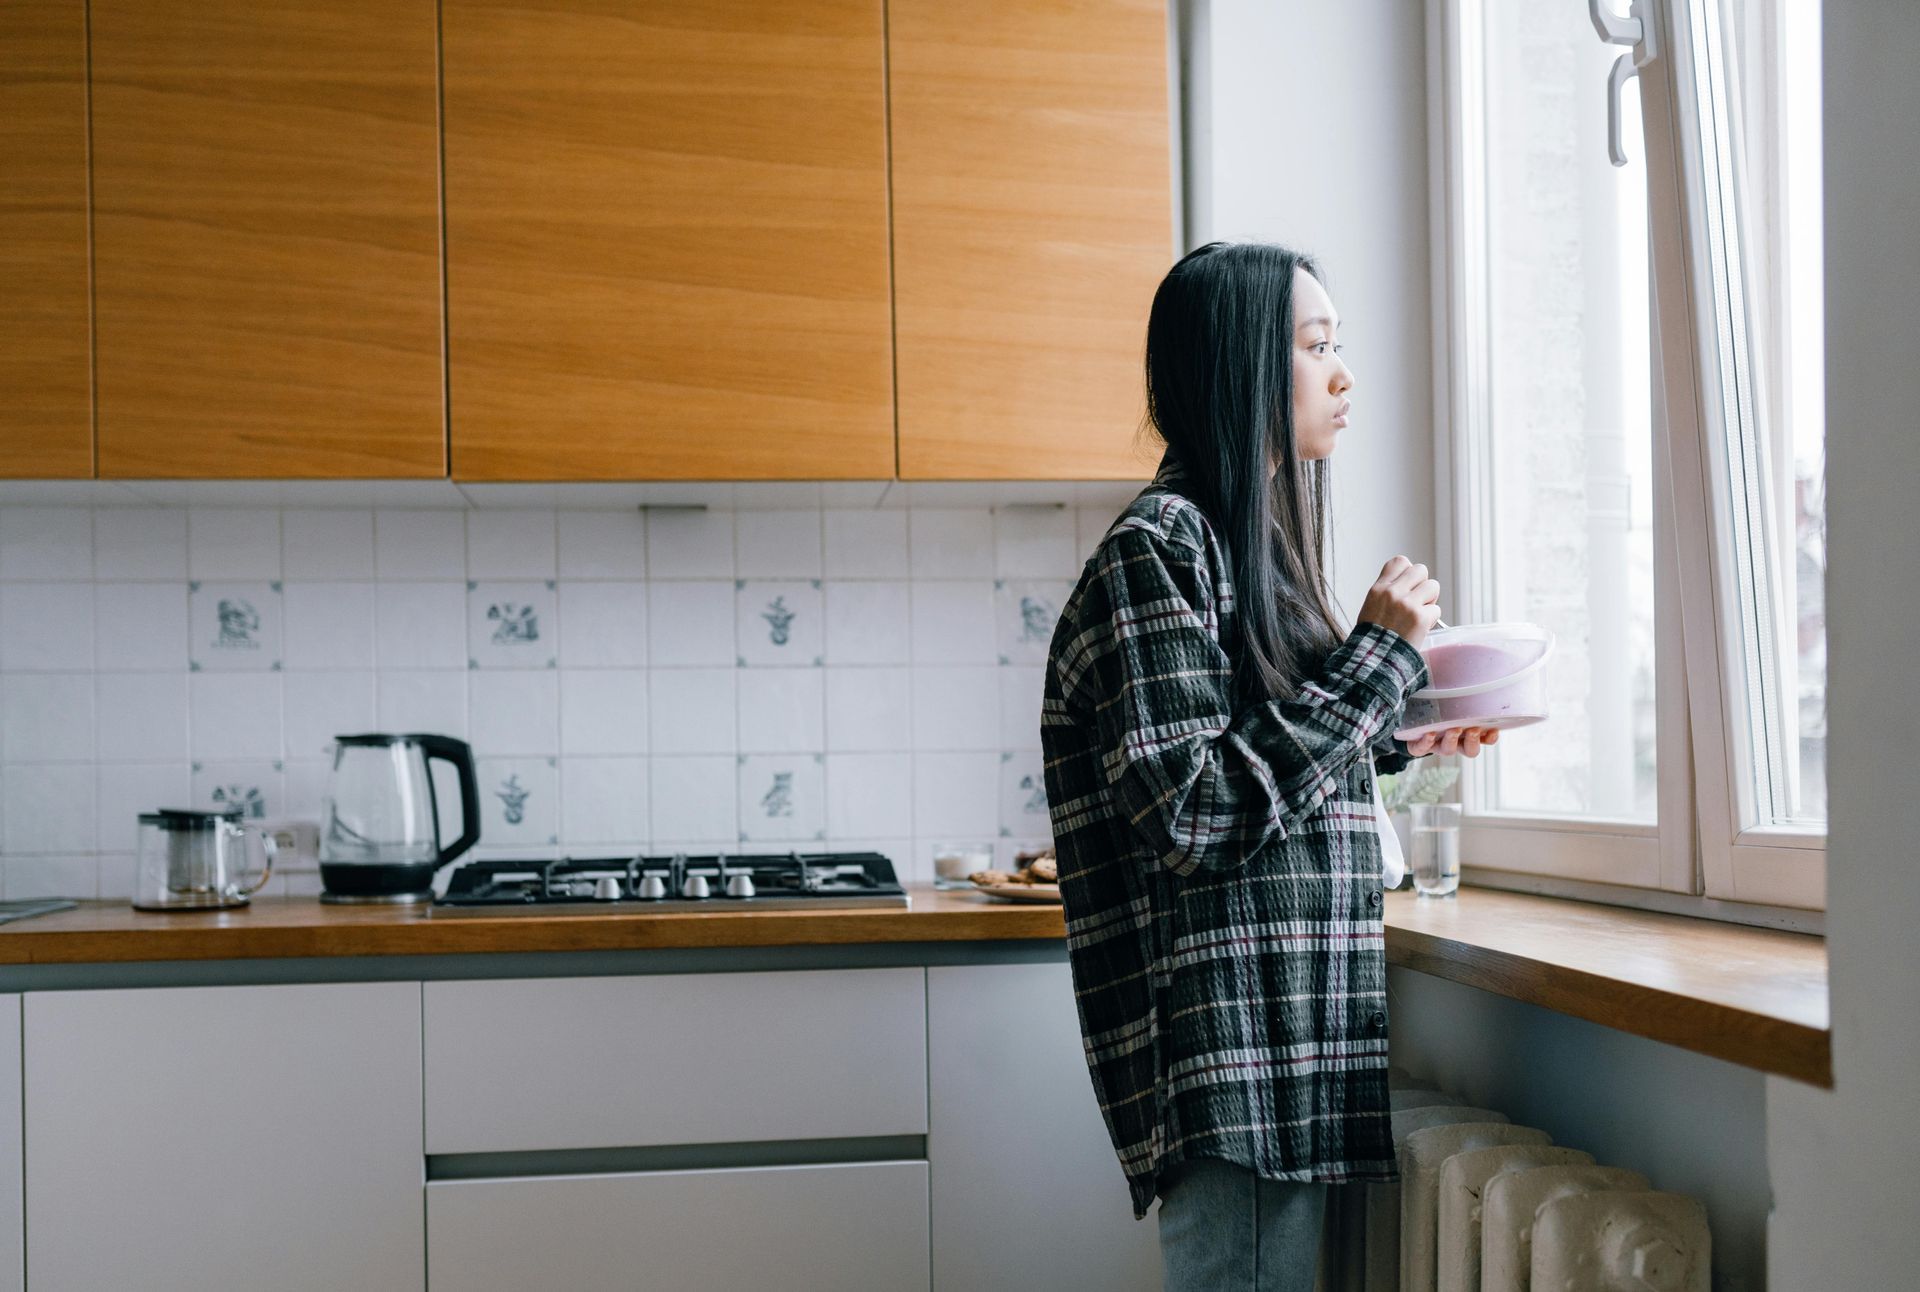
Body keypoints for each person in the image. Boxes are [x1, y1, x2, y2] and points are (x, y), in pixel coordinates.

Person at [1041, 241, 1501, 1290]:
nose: (1344, 374)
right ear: (1237, 362)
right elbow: (1198, 813)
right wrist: (1378, 657)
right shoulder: (1157, 550)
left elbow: (1283, 768)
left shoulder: (1253, 554)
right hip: (1235, 1056)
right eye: (1315, 345)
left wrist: (1410, 737)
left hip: (1286, 1046)